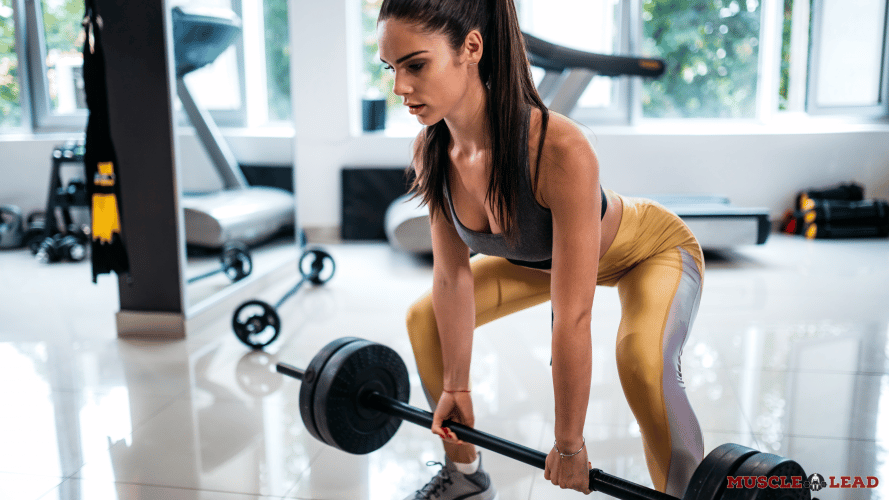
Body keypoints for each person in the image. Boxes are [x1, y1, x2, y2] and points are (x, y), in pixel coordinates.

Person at [376, 0, 705, 498]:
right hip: (539, 262)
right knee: (426, 320)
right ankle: (465, 477)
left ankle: (683, 493)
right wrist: (456, 387)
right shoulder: (434, 150)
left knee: (639, 359)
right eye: (391, 68)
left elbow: (572, 316)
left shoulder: (559, 150)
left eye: (415, 65)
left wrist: (569, 444)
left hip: (648, 251)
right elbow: (451, 278)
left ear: (471, 47)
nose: (400, 87)